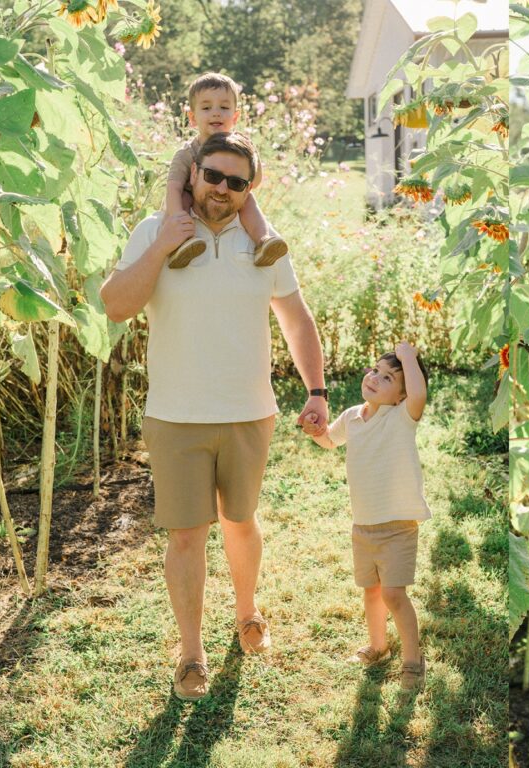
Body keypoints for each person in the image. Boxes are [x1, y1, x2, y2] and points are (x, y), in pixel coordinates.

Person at [100, 132, 328, 702]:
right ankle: (191, 654)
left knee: (240, 521)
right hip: (176, 415)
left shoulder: (265, 244)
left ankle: (248, 612)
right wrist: (162, 246)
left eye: (236, 181)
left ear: (249, 188)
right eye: (214, 176)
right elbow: (116, 305)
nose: (223, 189)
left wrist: (317, 390)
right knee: (186, 536)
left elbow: (296, 320)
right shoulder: (157, 230)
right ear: (194, 173)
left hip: (250, 412)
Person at [309, 342, 431, 692]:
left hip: (397, 526)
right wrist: (315, 431)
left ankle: (413, 660)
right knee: (372, 591)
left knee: (394, 594)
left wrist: (408, 357)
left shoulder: (401, 416)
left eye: (389, 378)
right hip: (363, 525)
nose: (376, 378)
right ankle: (378, 646)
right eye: (375, 370)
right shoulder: (352, 417)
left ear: (401, 396)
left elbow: (419, 393)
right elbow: (329, 441)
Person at [163, 71, 287, 269]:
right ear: (192, 118)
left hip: (227, 197)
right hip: (194, 199)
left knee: (248, 199)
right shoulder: (187, 153)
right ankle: (183, 243)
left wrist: (251, 153)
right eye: (206, 107)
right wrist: (176, 217)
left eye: (224, 107)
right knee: (183, 198)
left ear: (235, 116)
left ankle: (263, 242)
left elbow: (254, 182)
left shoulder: (241, 148)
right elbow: (173, 188)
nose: (216, 113)